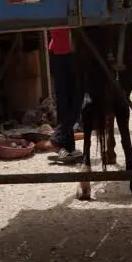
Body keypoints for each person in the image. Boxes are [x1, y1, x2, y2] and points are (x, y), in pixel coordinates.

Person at [46, 27, 83, 165]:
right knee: (70, 101)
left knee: (70, 101)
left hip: (66, 51)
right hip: (64, 52)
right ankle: (58, 139)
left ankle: (67, 147)